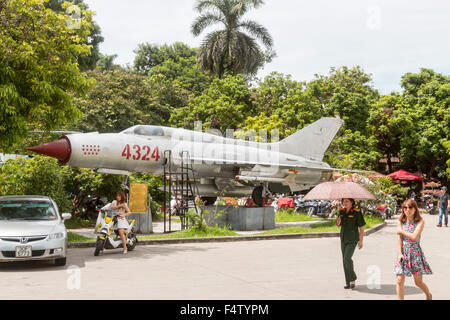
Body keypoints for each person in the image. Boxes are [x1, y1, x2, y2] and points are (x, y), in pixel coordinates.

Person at [394, 199, 432, 300]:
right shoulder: (401, 220)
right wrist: (400, 253)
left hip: (415, 253)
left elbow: (414, 237)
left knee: (418, 282)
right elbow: (399, 238)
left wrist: (401, 231)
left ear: (415, 209)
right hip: (402, 252)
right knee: (399, 280)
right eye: (405, 207)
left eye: (410, 207)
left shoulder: (420, 221)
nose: (407, 210)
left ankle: (428, 294)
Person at [336, 198, 366, 289]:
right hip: (343, 238)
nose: (344, 203)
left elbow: (361, 227)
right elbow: (338, 224)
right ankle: (348, 282)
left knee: (347, 258)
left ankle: (352, 278)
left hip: (353, 239)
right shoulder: (341, 211)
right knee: (344, 260)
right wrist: (338, 221)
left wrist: (361, 241)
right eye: (343, 201)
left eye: (347, 201)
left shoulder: (357, 212)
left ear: (351, 202)